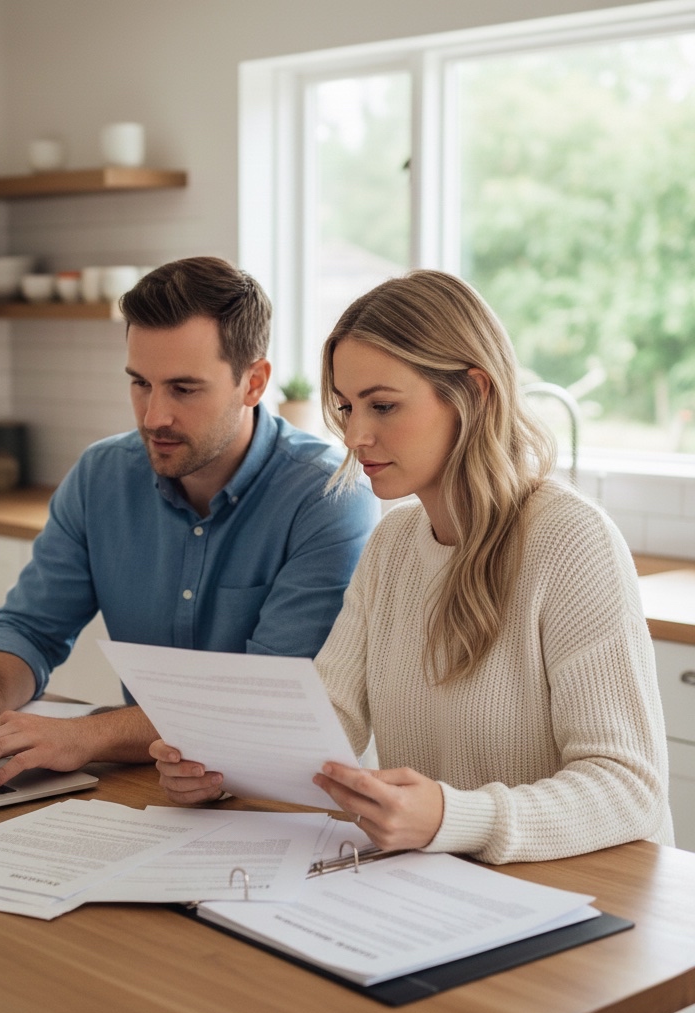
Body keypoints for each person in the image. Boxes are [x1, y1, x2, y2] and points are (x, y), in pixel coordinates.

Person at [153, 268, 673, 864]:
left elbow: (629, 788)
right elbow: (331, 718)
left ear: (474, 393)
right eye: (347, 407)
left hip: (590, 892)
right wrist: (223, 767)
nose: (355, 435)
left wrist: (456, 817)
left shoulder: (570, 541)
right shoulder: (395, 543)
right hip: (451, 883)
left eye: (383, 406)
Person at [0, 256, 379, 791]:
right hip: (151, 784)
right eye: (139, 383)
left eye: (183, 388)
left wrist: (82, 736)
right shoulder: (101, 475)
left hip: (274, 801)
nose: (154, 417)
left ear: (254, 382)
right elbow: (27, 627)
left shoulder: (328, 497)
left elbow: (262, 702)